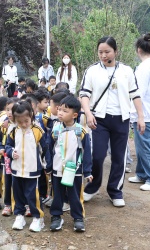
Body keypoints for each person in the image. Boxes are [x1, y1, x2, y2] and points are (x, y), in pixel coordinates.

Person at [80, 36, 145, 206]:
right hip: (98, 119)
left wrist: (141, 117)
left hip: (121, 119)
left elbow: (135, 95)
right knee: (97, 155)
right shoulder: (92, 71)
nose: (103, 55)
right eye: (100, 52)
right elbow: (84, 94)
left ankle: (115, 191)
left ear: (116, 52)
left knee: (119, 157)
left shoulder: (126, 70)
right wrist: (88, 113)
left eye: (107, 51)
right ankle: (93, 186)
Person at [3, 101, 51, 232]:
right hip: (16, 169)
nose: (23, 124)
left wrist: (48, 165)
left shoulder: (37, 130)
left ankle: (38, 217)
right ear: (15, 119)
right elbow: (7, 146)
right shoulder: (13, 130)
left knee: (32, 194)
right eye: (20, 122)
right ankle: (19, 215)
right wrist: (11, 152)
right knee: (17, 194)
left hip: (33, 169)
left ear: (31, 116)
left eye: (26, 121)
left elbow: (45, 148)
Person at [49, 96, 92, 232]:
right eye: (60, 109)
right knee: (57, 194)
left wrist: (88, 171)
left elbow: (87, 153)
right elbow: (49, 148)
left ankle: (78, 218)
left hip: (74, 170)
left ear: (74, 115)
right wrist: (49, 166)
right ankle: (56, 216)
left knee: (74, 195)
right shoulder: (55, 129)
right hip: (57, 168)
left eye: (65, 111)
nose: (60, 113)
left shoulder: (81, 132)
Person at [128, 33, 150, 191]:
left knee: (145, 146)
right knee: (143, 145)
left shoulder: (143, 68)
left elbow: (138, 93)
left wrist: (138, 115)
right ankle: (142, 173)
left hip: (144, 113)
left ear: (138, 50)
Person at [0, 97, 19, 216]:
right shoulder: (4, 125)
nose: (10, 112)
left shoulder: (23, 124)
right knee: (8, 181)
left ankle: (21, 204)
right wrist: (0, 148)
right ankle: (7, 204)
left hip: (20, 158)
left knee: (20, 182)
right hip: (7, 158)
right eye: (7, 109)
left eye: (13, 109)